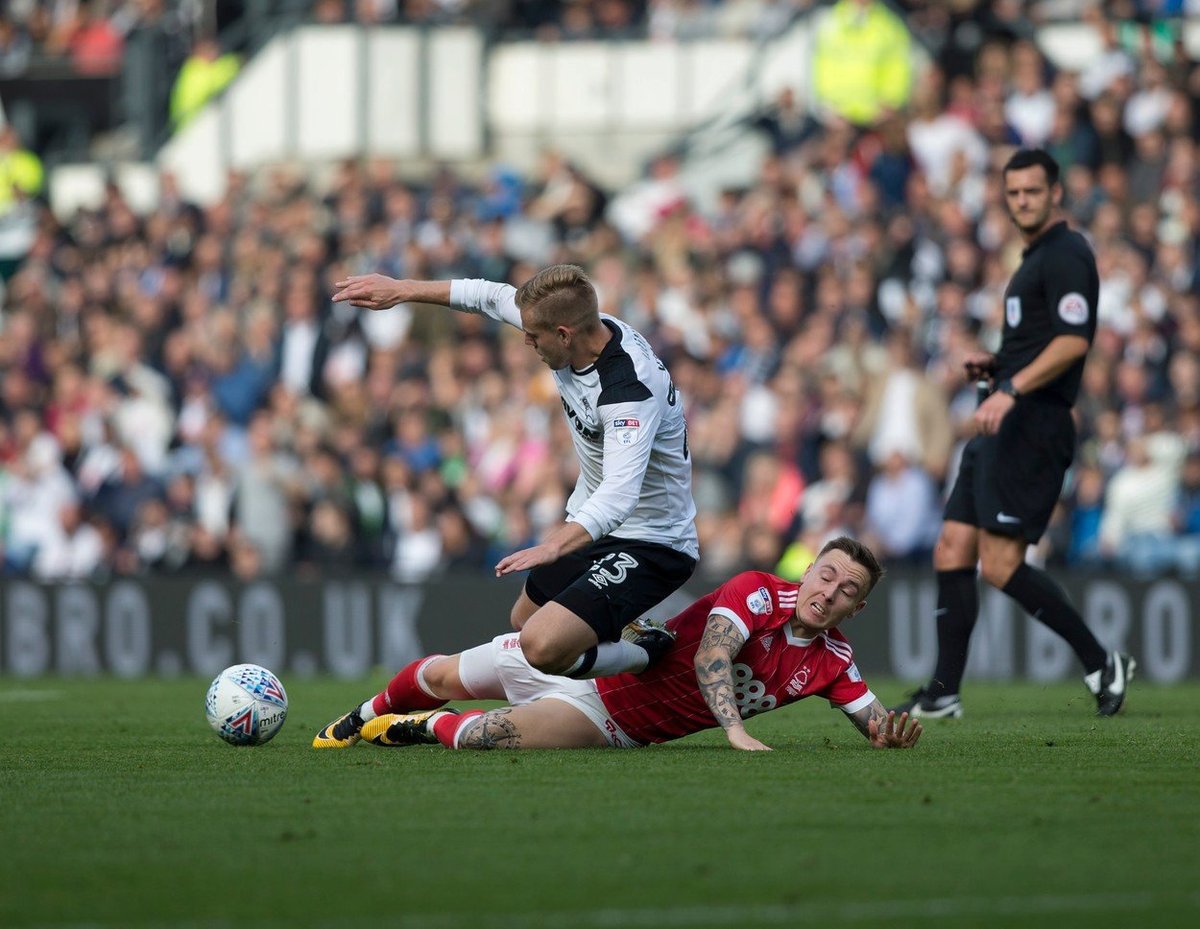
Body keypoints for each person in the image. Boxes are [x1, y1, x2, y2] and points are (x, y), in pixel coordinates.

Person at [314, 264, 699, 747]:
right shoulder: (576, 330)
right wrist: (402, 290)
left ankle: (645, 652)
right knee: (524, 622)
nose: (526, 343)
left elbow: (620, 495)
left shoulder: (627, 391)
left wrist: (553, 546)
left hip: (653, 541)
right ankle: (611, 660)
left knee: (541, 646)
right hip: (598, 526)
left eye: (534, 337)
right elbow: (484, 294)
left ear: (563, 334)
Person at [893, 149, 1134, 720]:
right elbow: (1040, 341)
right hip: (1001, 417)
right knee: (951, 546)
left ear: (1055, 192)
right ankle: (944, 691)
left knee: (1000, 565)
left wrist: (1012, 388)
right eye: (1013, 193)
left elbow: (1075, 341)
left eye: (1032, 191)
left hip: (1032, 423)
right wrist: (998, 365)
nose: (1022, 200)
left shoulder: (1068, 253)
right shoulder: (1033, 260)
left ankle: (1102, 661)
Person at [312, 537, 922, 752]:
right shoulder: (759, 592)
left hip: (610, 716)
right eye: (827, 574)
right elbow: (712, 654)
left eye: (848, 590)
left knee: (482, 734)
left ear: (858, 608)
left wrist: (885, 731)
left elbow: (872, 720)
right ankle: (362, 715)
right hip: (598, 653)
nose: (831, 592)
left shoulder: (833, 662)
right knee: (445, 675)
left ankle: (413, 730)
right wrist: (735, 729)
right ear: (809, 568)